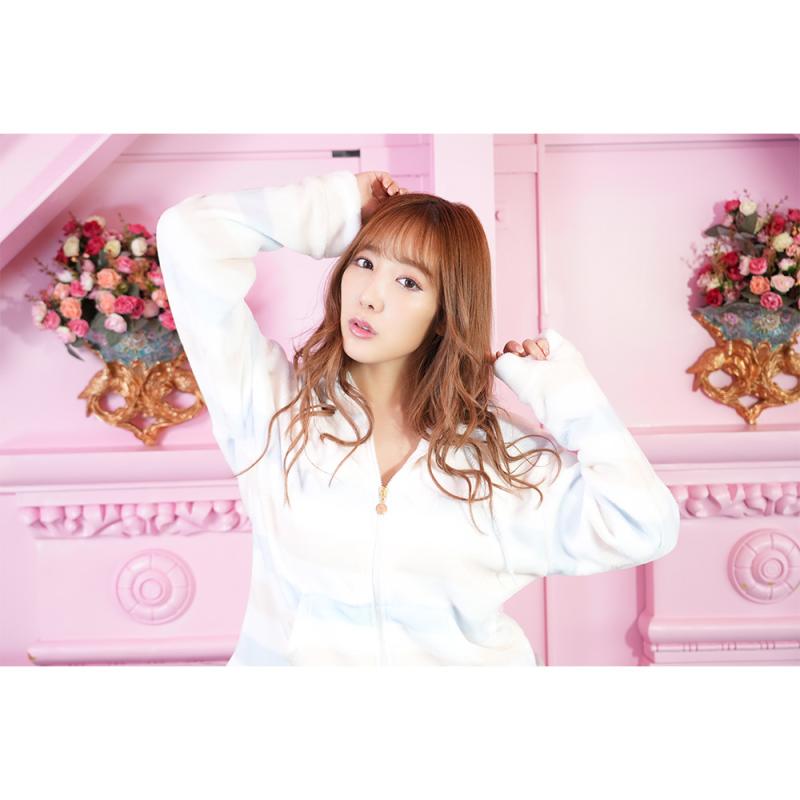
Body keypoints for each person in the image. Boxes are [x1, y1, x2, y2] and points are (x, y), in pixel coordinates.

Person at [155, 169, 680, 666]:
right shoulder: (272, 408)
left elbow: (643, 526)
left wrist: (564, 394)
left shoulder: (499, 458)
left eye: (408, 282)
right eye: (365, 263)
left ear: (445, 313)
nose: (370, 296)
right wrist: (337, 207)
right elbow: (189, 235)